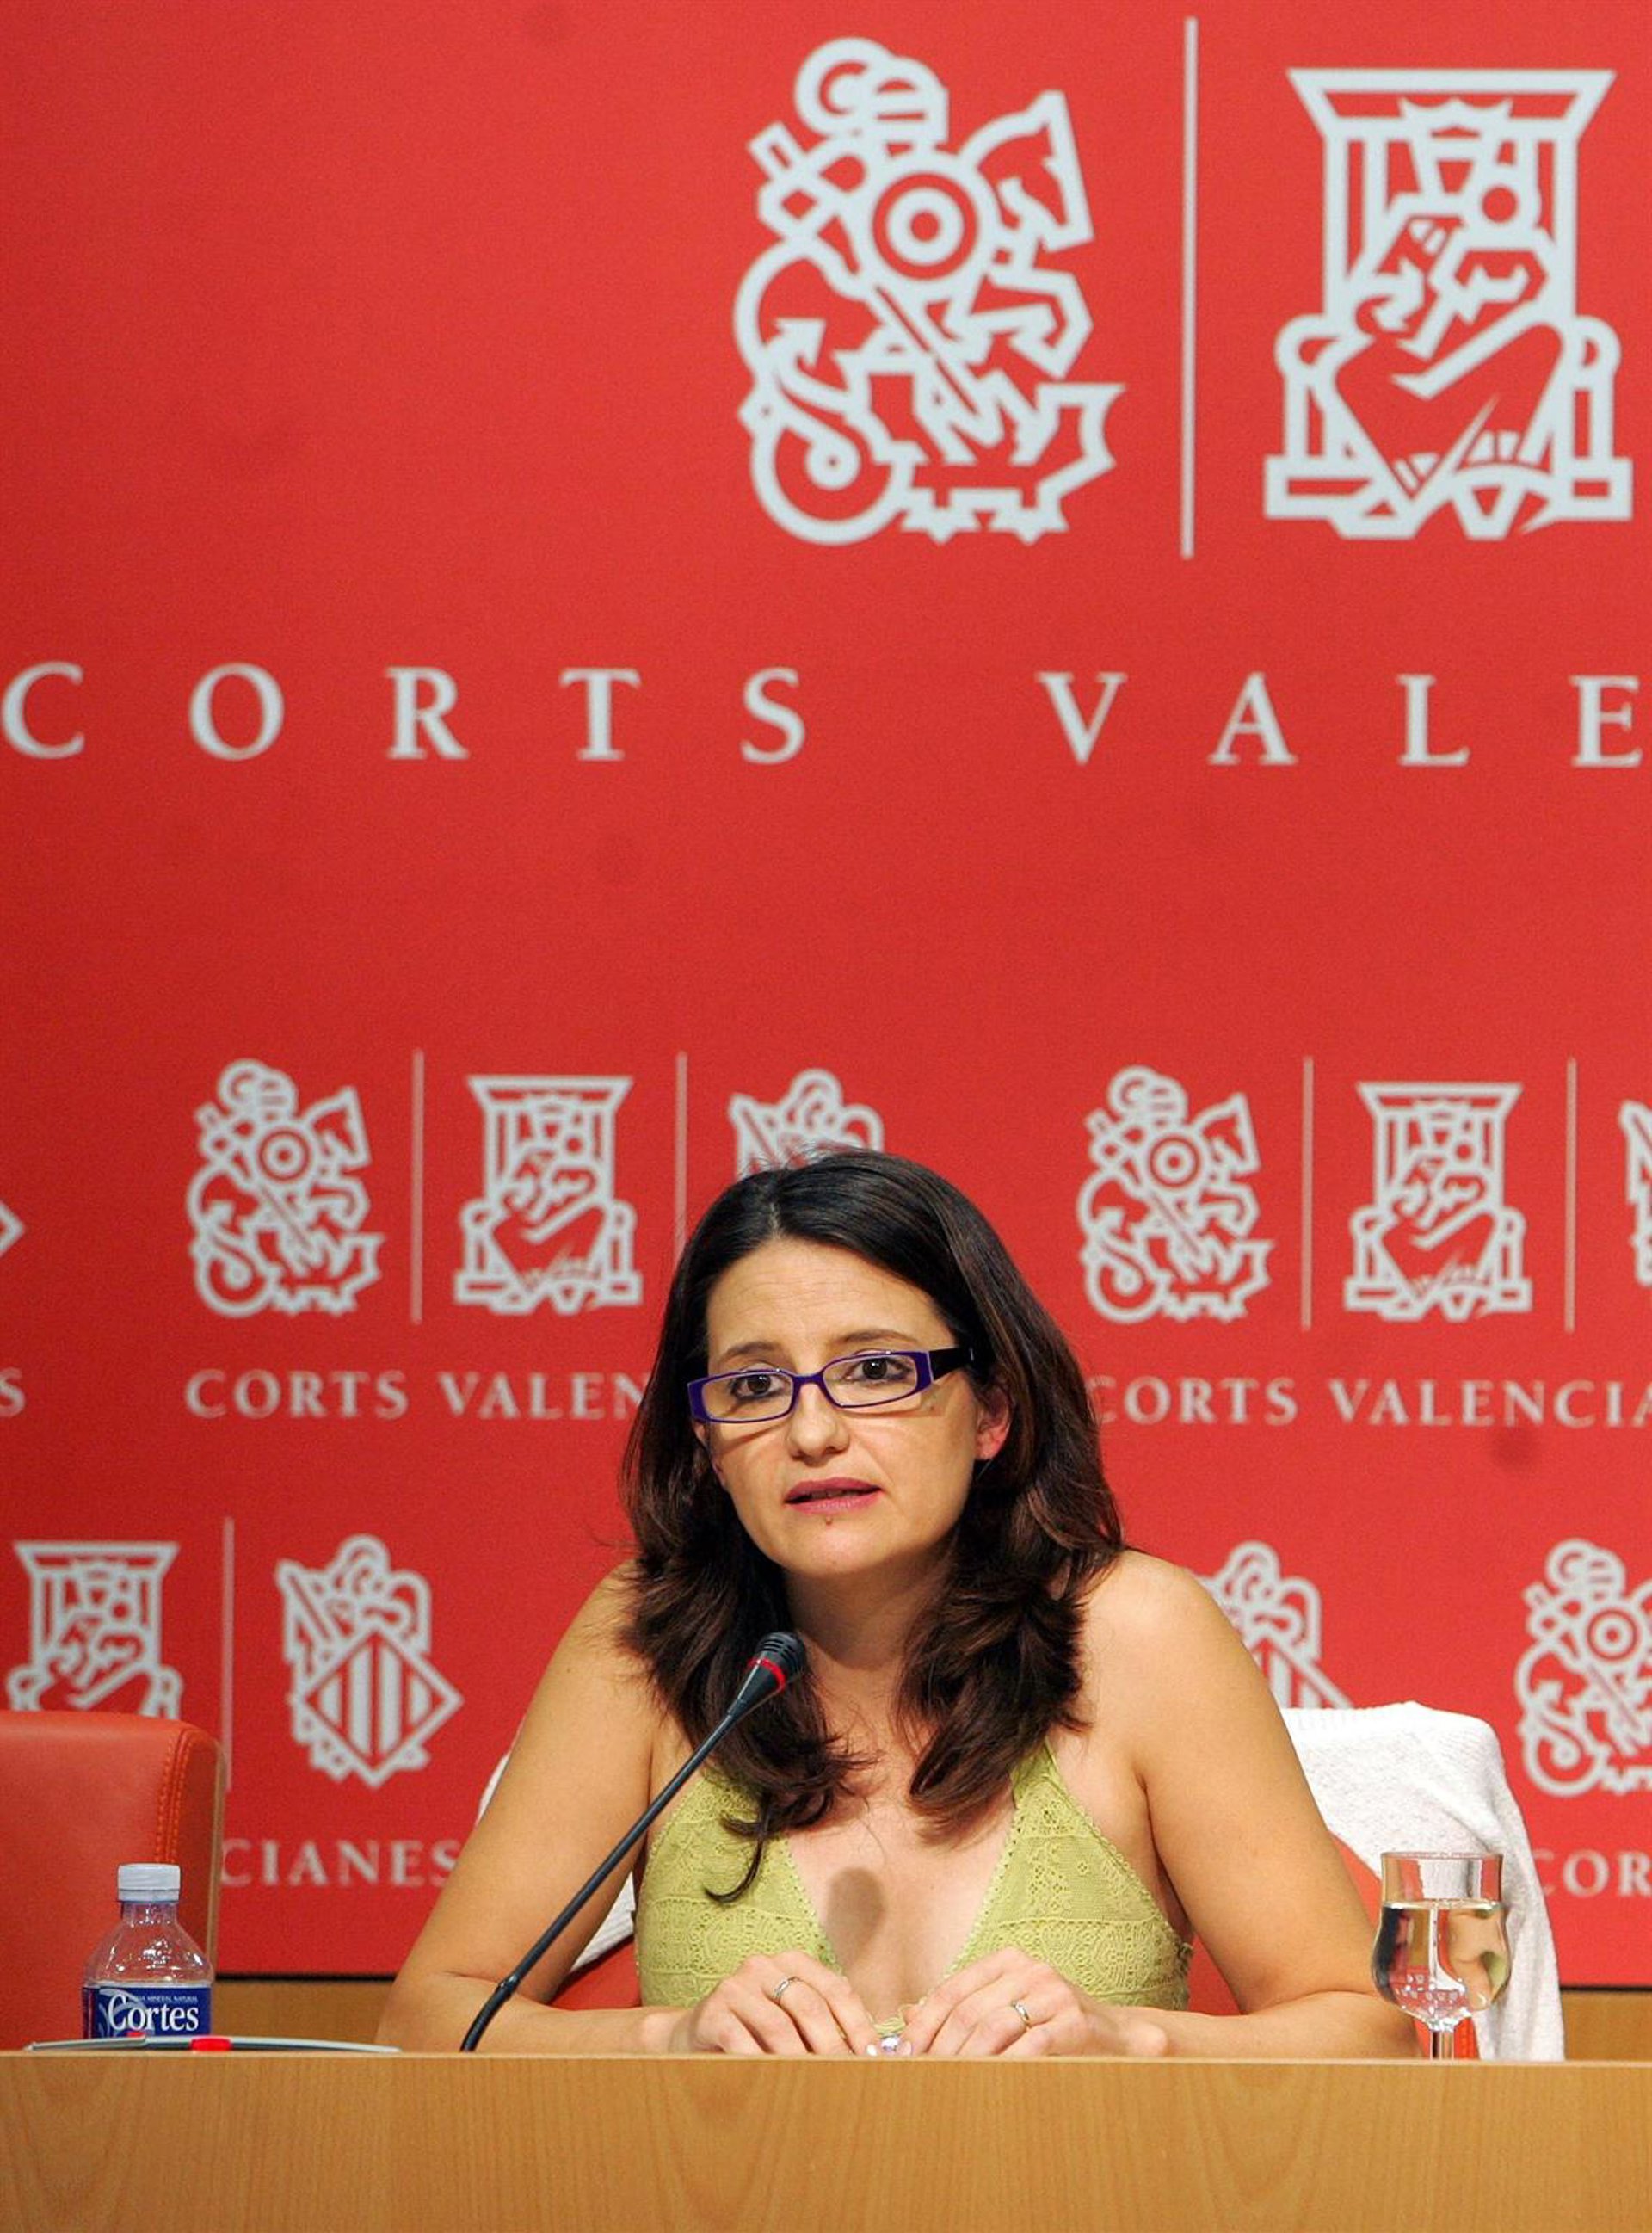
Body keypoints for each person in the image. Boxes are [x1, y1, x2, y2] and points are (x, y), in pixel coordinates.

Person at [380, 1152, 1415, 2057]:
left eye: (875, 1371)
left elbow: (1366, 2033)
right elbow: (429, 2017)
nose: (812, 1434)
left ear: (992, 1411)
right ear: (706, 1442)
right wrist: (670, 2037)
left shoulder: (1139, 1635)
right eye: (753, 1387)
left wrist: (1130, 2040)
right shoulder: (648, 1642)